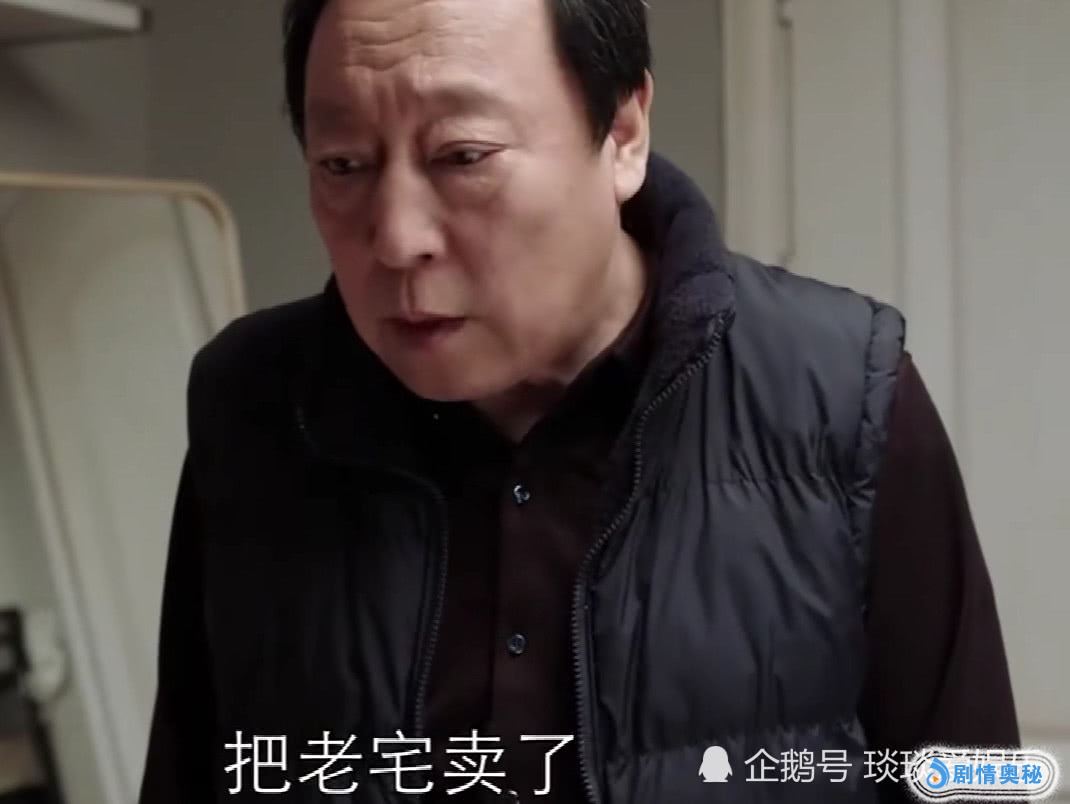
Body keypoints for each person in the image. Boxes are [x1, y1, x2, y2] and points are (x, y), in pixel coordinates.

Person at [138, 0, 1020, 802]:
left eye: (463, 156)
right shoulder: (257, 403)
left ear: (624, 132)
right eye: (343, 164)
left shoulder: (839, 390)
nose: (398, 238)